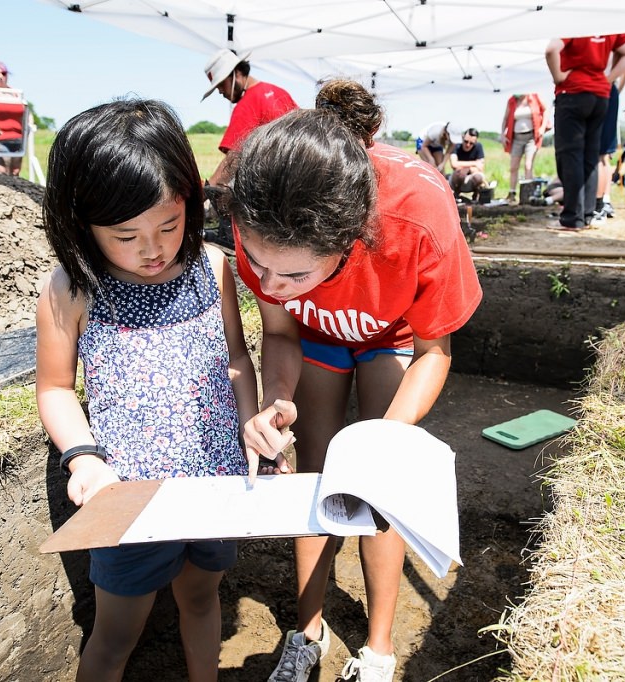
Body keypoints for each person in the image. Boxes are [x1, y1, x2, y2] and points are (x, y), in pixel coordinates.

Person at [228, 79, 483, 682]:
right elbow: (282, 331)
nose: (271, 284)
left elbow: (433, 351)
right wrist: (276, 400)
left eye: (292, 272)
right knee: (315, 476)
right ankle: (307, 629)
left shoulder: (417, 218)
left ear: (349, 240)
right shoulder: (261, 214)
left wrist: (380, 444)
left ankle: (378, 649)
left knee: (375, 484)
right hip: (315, 335)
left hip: (393, 336)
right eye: (258, 266)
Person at [36, 98, 259, 682]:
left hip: (214, 482)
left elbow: (236, 356)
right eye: (125, 235)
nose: (152, 249)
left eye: (168, 224)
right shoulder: (72, 289)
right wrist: (82, 457)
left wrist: (252, 421)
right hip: (127, 501)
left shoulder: (212, 267)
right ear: (80, 223)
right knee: (114, 633)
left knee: (202, 598)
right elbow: (56, 389)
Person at [545, 34, 625, 230]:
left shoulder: (577, 22)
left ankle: (572, 218)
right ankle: (587, 215)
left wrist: (558, 77)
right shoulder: (609, 26)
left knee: (570, 156)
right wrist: (608, 79)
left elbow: (551, 49)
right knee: (591, 157)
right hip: (600, 96)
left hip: (573, 93)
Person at [201, 49, 298, 189]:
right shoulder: (280, 92)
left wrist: (210, 188)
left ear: (237, 73)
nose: (221, 91)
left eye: (222, 85)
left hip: (276, 186)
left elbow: (234, 158)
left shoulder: (246, 105)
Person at [501, 93, 550, 204]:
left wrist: (542, 127)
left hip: (531, 137)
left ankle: (527, 194)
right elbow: (505, 118)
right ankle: (512, 193)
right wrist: (502, 134)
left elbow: (546, 110)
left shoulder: (535, 97)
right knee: (513, 166)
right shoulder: (512, 100)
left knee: (528, 165)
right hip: (516, 138)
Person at [596, 71, 625, 221]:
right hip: (608, 88)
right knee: (603, 158)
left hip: (602, 89)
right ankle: (604, 200)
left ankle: (598, 203)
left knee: (599, 157)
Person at [449, 128, 488, 199]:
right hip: (457, 180)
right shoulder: (456, 146)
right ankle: (456, 194)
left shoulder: (479, 147)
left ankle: (476, 194)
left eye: (471, 143)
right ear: (462, 138)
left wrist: (466, 168)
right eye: (466, 141)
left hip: (471, 178)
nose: (468, 145)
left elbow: (481, 168)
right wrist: (474, 163)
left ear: (475, 142)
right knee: (460, 174)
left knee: (478, 177)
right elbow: (454, 164)